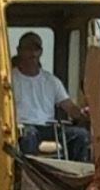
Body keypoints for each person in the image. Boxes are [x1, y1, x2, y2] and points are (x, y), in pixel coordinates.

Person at [10, 32, 92, 162]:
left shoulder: (51, 81)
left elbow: (69, 107)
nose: (32, 54)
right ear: (19, 50)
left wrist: (85, 113)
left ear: (41, 52)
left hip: (49, 128)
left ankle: (75, 179)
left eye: (36, 49)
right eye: (28, 49)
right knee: (28, 136)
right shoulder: (10, 79)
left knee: (81, 136)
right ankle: (29, 178)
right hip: (22, 128)